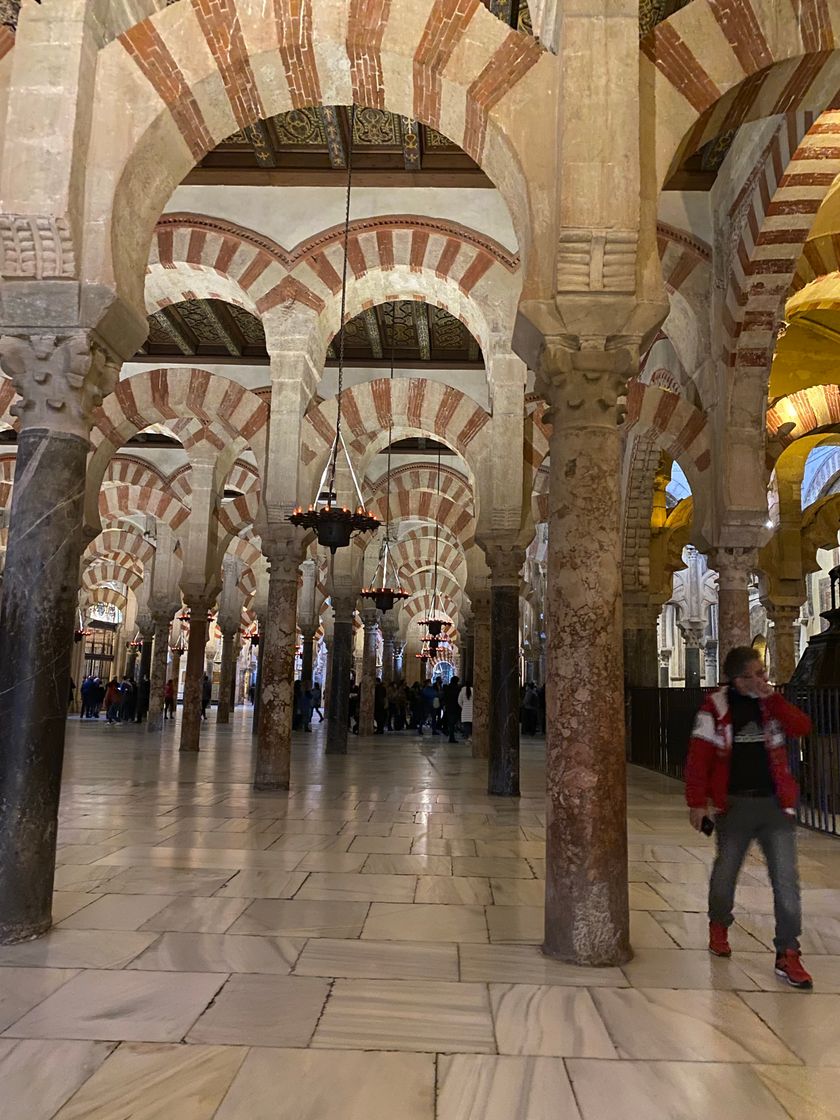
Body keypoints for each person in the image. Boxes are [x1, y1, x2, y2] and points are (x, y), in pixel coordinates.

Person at [685, 645, 814, 989]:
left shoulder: (770, 703)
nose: (763, 678)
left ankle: (788, 952)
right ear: (738, 679)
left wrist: (773, 699)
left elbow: (802, 727)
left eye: (764, 672)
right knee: (726, 872)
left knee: (786, 882)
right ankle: (719, 924)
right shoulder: (715, 708)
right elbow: (698, 759)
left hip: (775, 805)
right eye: (756, 674)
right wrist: (697, 803)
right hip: (735, 805)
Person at [443, 675, 461, 742]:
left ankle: (450, 735)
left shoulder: (447, 688)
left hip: (449, 707)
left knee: (451, 722)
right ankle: (451, 737)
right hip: (455, 707)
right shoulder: (457, 689)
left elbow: (445, 697)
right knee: (453, 722)